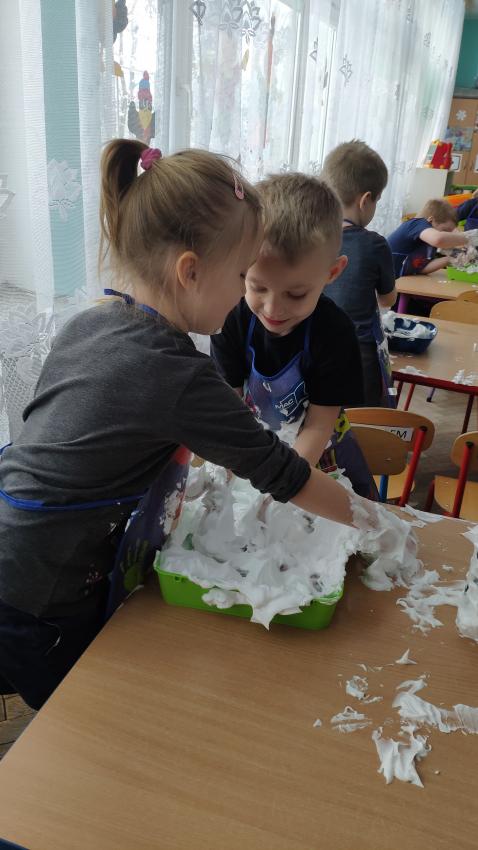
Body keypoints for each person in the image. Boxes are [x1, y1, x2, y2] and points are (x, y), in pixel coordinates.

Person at [0, 141, 391, 712]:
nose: (248, 298)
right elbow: (283, 473)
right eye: (243, 276)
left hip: (14, 546)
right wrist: (378, 523)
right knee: (83, 718)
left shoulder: (93, 321)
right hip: (44, 589)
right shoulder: (175, 373)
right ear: (191, 272)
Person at [211, 172, 377, 498]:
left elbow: (318, 425)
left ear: (332, 273)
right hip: (259, 449)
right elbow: (229, 406)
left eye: (296, 294)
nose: (273, 308)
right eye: (257, 287)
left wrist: (283, 487)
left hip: (321, 459)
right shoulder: (231, 316)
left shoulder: (335, 333)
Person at [321, 140, 397, 407]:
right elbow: (387, 300)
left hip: (313, 347)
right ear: (365, 200)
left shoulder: (309, 237)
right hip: (359, 354)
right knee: (361, 421)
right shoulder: (374, 244)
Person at [387, 199, 468, 277]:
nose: (447, 235)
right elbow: (438, 239)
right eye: (445, 230)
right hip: (384, 277)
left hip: (399, 279)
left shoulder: (428, 243)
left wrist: (450, 259)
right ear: (430, 220)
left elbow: (420, 268)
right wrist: (467, 238)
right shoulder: (417, 224)